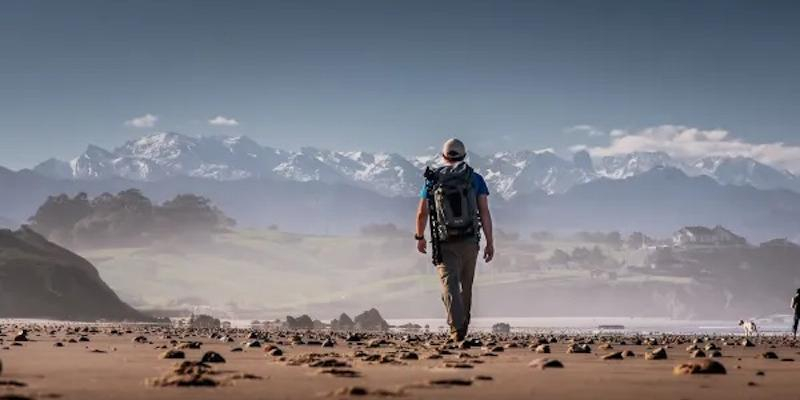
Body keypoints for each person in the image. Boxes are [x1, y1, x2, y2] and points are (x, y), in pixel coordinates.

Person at [415, 138, 494, 342]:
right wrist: (490, 242)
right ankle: (463, 326)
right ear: (464, 155)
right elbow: (484, 212)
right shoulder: (475, 179)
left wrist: (420, 237)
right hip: (470, 240)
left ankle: (456, 328)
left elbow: (422, 213)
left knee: (449, 286)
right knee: (466, 285)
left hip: (444, 241)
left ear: (443, 156)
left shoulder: (432, 180)